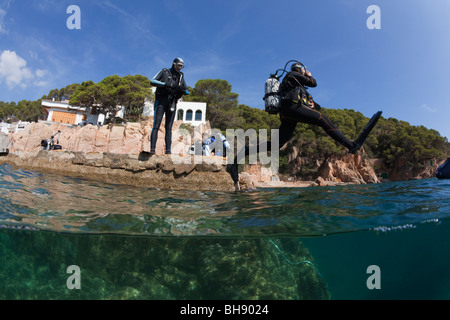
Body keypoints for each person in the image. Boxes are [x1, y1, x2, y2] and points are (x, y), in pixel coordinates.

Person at [279, 62, 368, 154]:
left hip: (287, 112)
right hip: (291, 107)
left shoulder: (295, 84)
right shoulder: (293, 74)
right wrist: (310, 76)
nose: (304, 72)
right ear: (298, 69)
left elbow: (314, 104)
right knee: (322, 119)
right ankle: (351, 145)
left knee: (278, 143)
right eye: (303, 70)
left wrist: (313, 104)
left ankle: (262, 148)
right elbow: (313, 83)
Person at [149, 57, 190, 155]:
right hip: (161, 102)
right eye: (178, 65)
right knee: (156, 125)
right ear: (174, 64)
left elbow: (187, 91)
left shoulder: (180, 76)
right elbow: (152, 81)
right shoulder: (165, 71)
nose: (180, 68)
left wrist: (182, 90)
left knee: (169, 128)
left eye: (182, 66)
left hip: (172, 103)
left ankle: (168, 151)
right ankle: (152, 150)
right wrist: (165, 84)